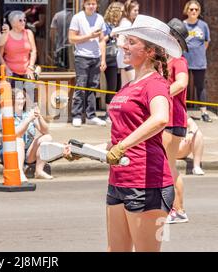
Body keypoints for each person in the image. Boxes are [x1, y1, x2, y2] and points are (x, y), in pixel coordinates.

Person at [66, 14, 183, 251]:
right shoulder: (129, 85)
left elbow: (160, 118)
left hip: (147, 182)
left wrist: (122, 146)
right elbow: (120, 138)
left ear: (150, 51)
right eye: (125, 41)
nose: (123, 46)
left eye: (131, 42)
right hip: (119, 179)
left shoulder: (156, 83)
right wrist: (86, 151)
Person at [162, 18, 190, 224]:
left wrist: (161, 95)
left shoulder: (178, 60)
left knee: (168, 165)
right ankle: (177, 208)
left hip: (174, 117)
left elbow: (181, 83)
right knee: (169, 165)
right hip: (170, 118)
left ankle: (176, 209)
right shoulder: (167, 59)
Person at [68, 0, 107, 127]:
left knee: (93, 86)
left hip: (96, 57)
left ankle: (91, 115)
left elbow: (102, 40)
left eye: (93, 4)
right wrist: (88, 36)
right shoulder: (77, 18)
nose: (91, 6)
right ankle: (77, 115)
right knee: (81, 85)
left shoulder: (100, 18)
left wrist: (103, 59)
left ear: (97, 5)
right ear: (83, 4)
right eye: (88, 3)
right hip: (82, 56)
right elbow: (71, 38)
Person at [0, 88, 53, 181]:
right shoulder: (5, 115)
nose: (22, 101)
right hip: (10, 151)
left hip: (28, 152)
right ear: (12, 100)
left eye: (23, 98)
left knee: (47, 138)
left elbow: (45, 131)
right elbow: (15, 135)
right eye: (19, 99)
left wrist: (39, 117)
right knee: (19, 140)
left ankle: (39, 171)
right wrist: (27, 120)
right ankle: (19, 172)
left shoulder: (27, 113)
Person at [183, 0, 212, 122]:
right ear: (187, 11)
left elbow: (206, 42)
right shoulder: (182, 24)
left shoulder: (203, 25)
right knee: (182, 86)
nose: (193, 11)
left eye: (196, 9)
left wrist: (198, 53)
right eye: (191, 9)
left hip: (199, 62)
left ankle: (204, 112)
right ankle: (181, 113)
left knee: (200, 87)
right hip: (184, 60)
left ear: (199, 11)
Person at [0, 11, 38, 90]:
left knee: (30, 97)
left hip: (27, 72)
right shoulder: (6, 35)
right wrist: (7, 69)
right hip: (12, 73)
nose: (23, 22)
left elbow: (33, 51)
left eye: (24, 20)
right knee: (17, 97)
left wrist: (30, 67)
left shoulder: (28, 33)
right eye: (20, 20)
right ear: (13, 23)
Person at [103, 2, 124, 124]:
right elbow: (102, 40)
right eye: (121, 11)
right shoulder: (106, 25)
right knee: (111, 85)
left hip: (120, 59)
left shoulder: (122, 24)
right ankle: (108, 113)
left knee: (119, 86)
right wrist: (111, 35)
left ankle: (116, 111)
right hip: (110, 58)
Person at [115, 0, 140, 86]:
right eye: (135, 10)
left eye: (137, 10)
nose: (137, 12)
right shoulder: (126, 24)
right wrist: (131, 49)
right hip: (126, 58)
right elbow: (120, 42)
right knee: (134, 85)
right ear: (128, 10)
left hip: (123, 58)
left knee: (124, 86)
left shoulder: (126, 22)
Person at [50, 0, 73, 69]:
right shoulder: (78, 16)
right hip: (73, 49)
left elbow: (52, 34)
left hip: (60, 48)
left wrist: (54, 48)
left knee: (61, 72)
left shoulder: (57, 15)